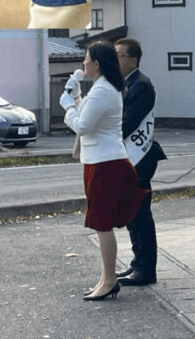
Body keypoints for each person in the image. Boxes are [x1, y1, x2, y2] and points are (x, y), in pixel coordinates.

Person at [61, 41, 147, 301]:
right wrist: (75, 96)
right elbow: (87, 114)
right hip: (100, 161)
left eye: (86, 59)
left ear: (97, 63)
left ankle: (109, 280)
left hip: (105, 163)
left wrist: (67, 107)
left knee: (102, 223)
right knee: (101, 223)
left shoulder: (104, 90)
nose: (83, 64)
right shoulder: (101, 88)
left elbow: (83, 126)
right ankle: (105, 278)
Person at [113, 39, 166, 287]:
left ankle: (146, 269)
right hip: (130, 157)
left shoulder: (141, 85)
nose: (117, 60)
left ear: (134, 58)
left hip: (140, 157)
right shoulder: (126, 84)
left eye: (121, 55)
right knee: (132, 213)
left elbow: (128, 121)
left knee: (140, 213)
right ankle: (138, 263)